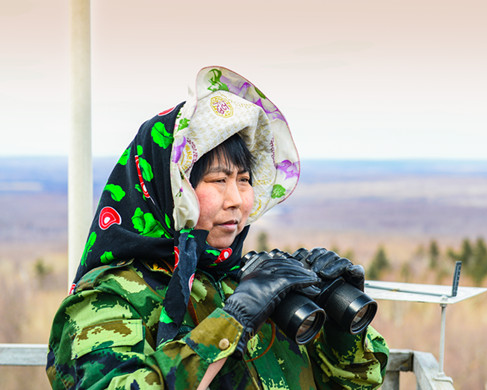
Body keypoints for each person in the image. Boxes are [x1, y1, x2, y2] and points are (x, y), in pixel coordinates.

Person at [46, 66, 388, 389]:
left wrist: (341, 320)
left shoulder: (245, 280)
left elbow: (360, 382)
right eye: (218, 179)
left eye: (244, 180)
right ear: (170, 190)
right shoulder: (107, 299)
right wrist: (235, 318)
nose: (236, 199)